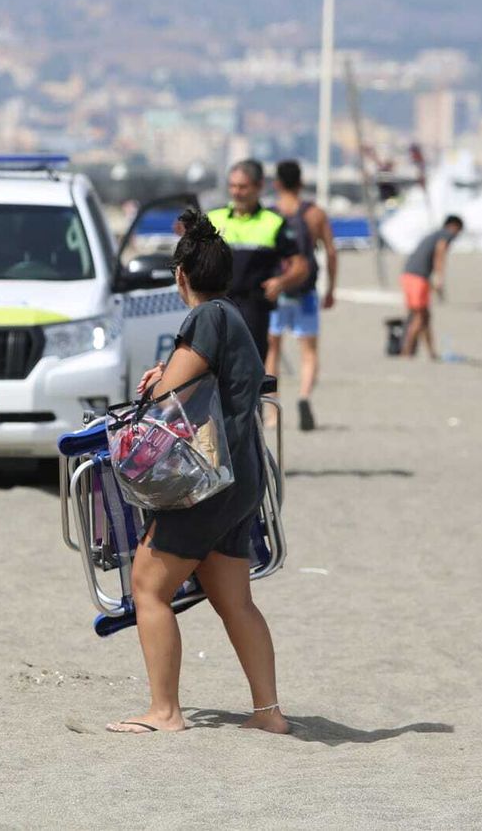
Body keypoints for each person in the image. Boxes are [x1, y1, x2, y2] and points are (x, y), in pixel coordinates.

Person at [109, 208, 287, 736]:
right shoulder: (231, 317)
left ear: (180, 276)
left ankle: (165, 712)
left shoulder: (206, 317)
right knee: (234, 599)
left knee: (148, 585)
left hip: (208, 482)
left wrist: (159, 377)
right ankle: (268, 713)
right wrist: (170, 373)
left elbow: (168, 397)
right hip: (242, 479)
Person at [206, 160, 308, 359]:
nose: (236, 192)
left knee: (248, 374)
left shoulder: (273, 222)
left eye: (243, 187)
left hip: (253, 311)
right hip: (215, 308)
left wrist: (281, 282)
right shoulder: (213, 219)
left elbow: (300, 266)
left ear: (259, 186)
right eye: (233, 186)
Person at [265, 159, 337, 432]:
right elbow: (330, 251)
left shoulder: (269, 215)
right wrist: (331, 289)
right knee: (308, 352)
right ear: (301, 182)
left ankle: (272, 410)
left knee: (272, 349)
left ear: (277, 184)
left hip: (275, 291)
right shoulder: (315, 214)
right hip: (305, 291)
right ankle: (304, 396)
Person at [399, 215, 463, 359]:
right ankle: (406, 351)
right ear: (454, 226)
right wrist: (439, 277)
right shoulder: (446, 235)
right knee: (419, 317)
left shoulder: (433, 235)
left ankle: (431, 353)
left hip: (408, 274)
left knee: (424, 315)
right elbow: (440, 252)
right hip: (418, 277)